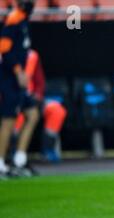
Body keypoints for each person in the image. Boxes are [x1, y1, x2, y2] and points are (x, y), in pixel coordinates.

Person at [0, 0, 37, 179]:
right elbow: (4, 50)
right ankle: (0, 164)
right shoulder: (13, 19)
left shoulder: (22, 20)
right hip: (9, 79)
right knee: (8, 120)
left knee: (32, 114)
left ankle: (19, 160)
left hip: (17, 79)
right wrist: (18, 72)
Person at [13, 49, 67, 165]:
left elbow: (40, 82)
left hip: (31, 99)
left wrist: (37, 96)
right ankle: (15, 152)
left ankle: (48, 149)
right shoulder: (6, 56)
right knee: (20, 117)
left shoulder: (32, 55)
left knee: (57, 110)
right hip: (12, 100)